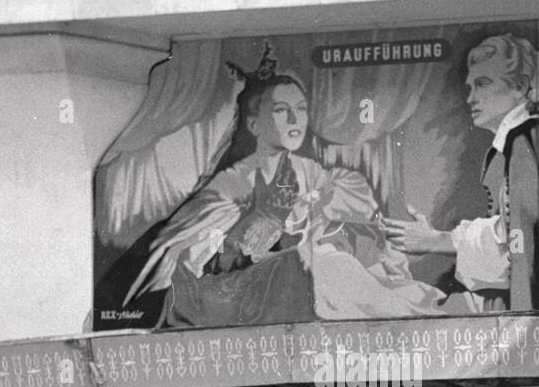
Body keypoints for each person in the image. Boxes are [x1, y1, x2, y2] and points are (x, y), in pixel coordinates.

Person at [108, 47, 455, 327]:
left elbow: (351, 194)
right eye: (281, 110)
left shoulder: (306, 170)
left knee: (344, 263)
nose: (295, 120)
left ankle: (420, 316)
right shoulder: (236, 182)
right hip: (235, 293)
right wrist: (237, 243)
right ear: (255, 124)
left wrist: (325, 205)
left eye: (301, 110)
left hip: (287, 281)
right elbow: (184, 256)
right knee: (331, 265)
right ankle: (422, 320)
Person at [385, 33, 539, 311]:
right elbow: (511, 234)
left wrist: (526, 319)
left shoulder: (532, 136)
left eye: (482, 84)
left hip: (532, 305)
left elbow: (528, 244)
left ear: (520, 86)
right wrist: (438, 240)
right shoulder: (523, 138)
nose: (470, 97)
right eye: (469, 87)